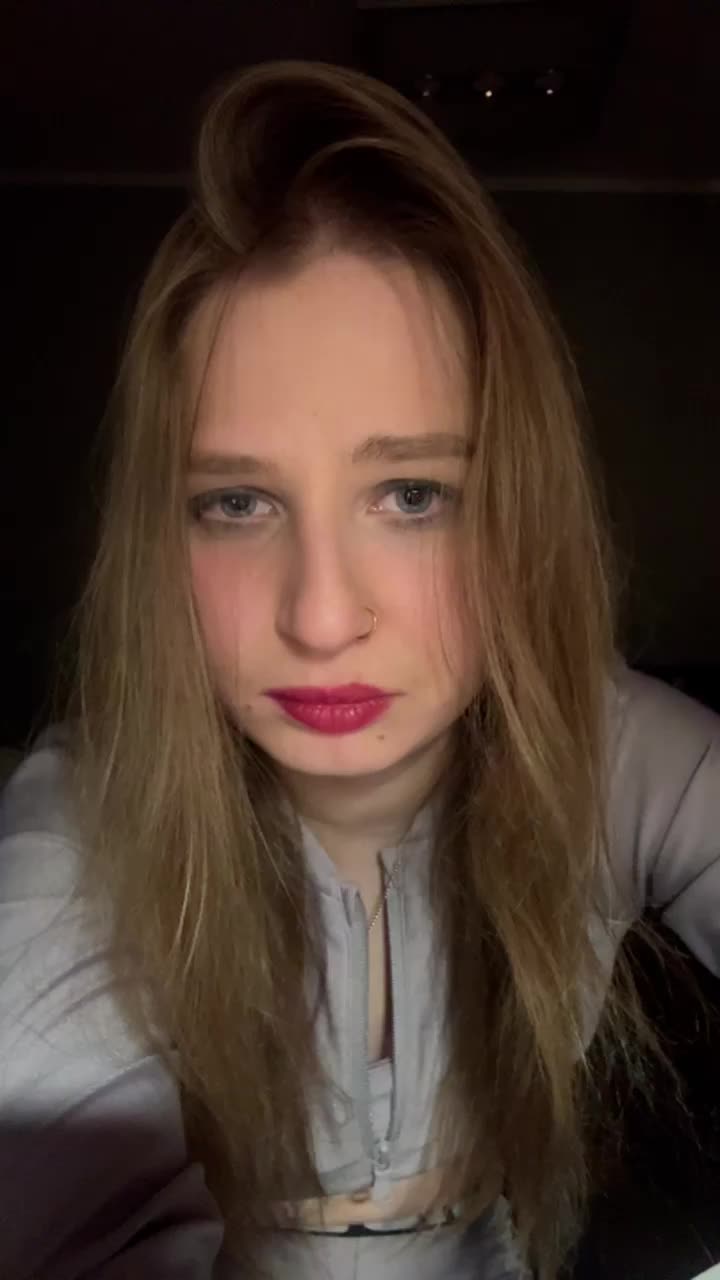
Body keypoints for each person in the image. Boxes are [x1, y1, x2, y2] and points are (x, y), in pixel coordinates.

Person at [0, 59, 718, 1280]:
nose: (323, 616)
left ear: (517, 510)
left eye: (413, 494)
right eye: (236, 502)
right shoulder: (82, 819)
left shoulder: (616, 751)